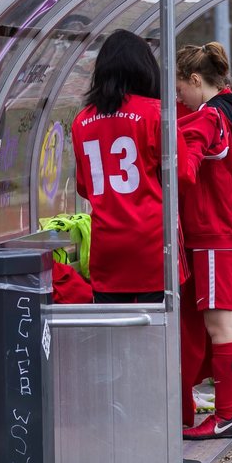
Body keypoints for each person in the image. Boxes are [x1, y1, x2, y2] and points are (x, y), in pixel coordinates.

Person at [176, 42, 232, 439]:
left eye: (180, 89)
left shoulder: (207, 118)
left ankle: (227, 413)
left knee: (220, 325)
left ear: (195, 80)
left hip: (214, 231)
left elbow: (185, 169)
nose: (179, 98)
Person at [69, 29, 169, 303]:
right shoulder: (156, 113)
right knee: (157, 334)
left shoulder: (81, 121)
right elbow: (180, 176)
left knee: (111, 335)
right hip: (152, 242)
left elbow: (83, 187)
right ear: (145, 69)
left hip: (107, 246)